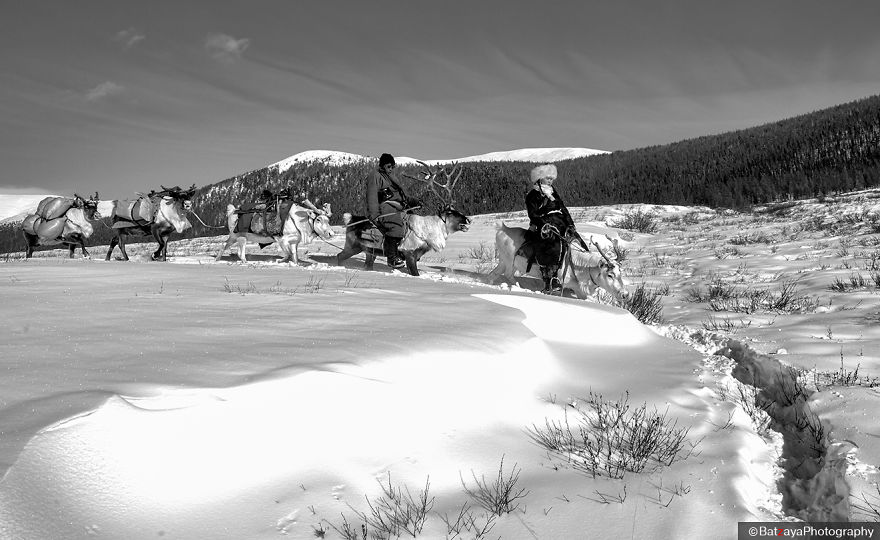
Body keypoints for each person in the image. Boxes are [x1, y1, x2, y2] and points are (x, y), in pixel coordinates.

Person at [523, 164, 581, 293]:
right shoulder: (532, 195)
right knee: (552, 245)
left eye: (552, 178)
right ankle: (550, 278)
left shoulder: (553, 192)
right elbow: (533, 214)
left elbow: (563, 208)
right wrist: (544, 224)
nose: (550, 181)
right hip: (543, 225)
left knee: (576, 241)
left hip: (560, 223)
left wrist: (570, 224)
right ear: (539, 178)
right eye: (547, 178)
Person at [365, 153, 418, 269]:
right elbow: (372, 197)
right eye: (389, 166)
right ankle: (392, 258)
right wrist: (375, 215)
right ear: (383, 166)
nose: (391, 169)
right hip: (384, 207)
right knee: (396, 226)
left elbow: (401, 194)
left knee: (413, 223)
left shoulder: (391, 176)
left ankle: (408, 251)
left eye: (392, 166)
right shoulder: (375, 176)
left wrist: (413, 201)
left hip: (397, 206)